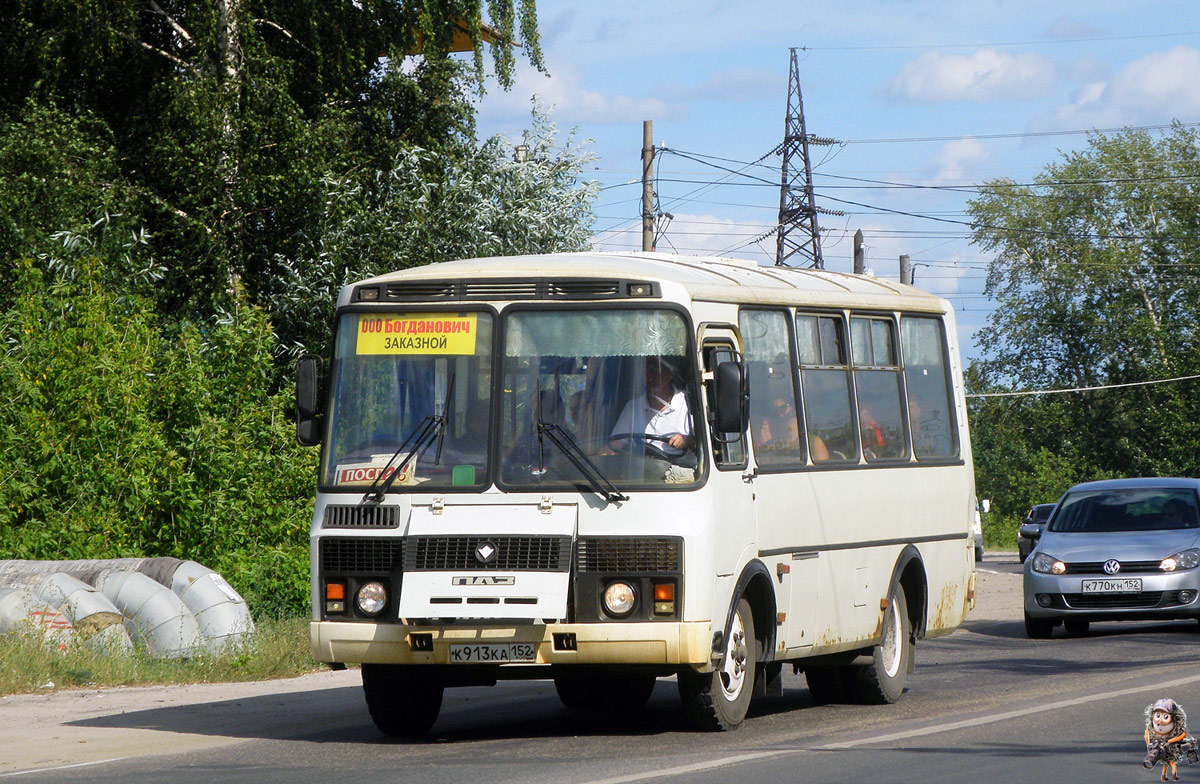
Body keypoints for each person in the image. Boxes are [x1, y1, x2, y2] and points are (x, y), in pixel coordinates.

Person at [609, 357, 695, 461]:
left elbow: (704, 444)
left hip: (683, 470)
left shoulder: (688, 403)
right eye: (648, 371)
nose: (652, 377)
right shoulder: (633, 406)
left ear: (670, 373)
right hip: (643, 471)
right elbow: (616, 444)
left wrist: (686, 440)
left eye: (657, 370)